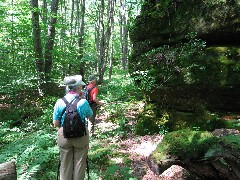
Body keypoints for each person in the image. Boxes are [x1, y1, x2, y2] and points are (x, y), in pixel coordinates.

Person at [53, 75, 93, 180]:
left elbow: (56, 123)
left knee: (65, 165)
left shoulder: (59, 101)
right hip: (81, 136)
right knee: (79, 164)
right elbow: (89, 114)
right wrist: (82, 99)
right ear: (78, 88)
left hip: (64, 136)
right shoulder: (83, 102)